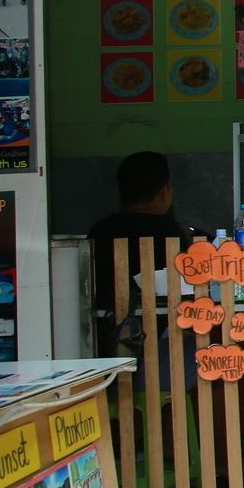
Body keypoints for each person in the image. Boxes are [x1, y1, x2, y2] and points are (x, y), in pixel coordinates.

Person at [88, 151, 191, 358]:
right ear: (165, 191)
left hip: (102, 341)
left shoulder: (99, 231)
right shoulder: (169, 233)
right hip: (156, 342)